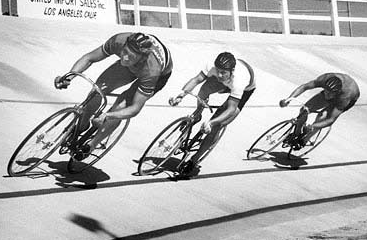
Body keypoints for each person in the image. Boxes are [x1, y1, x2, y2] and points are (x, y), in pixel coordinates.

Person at [54, 32, 173, 160]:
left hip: (158, 75)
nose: (125, 58)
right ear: (124, 46)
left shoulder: (152, 71)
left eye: (131, 56)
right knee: (97, 91)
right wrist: (69, 76)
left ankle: (91, 145)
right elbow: (89, 58)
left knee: (121, 106)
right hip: (130, 68)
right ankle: (82, 125)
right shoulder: (118, 41)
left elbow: (135, 109)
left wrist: (107, 115)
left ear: (141, 58)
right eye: (125, 52)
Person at [170, 52, 256, 176]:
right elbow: (196, 80)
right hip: (227, 82)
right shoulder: (211, 66)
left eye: (223, 72)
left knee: (217, 126)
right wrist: (180, 95)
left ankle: (194, 160)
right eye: (218, 71)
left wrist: (211, 122)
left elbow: (231, 109)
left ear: (232, 71)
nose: (219, 75)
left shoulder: (239, 81)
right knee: (204, 89)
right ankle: (197, 114)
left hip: (246, 89)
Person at [279, 72, 360, 149]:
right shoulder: (324, 79)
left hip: (348, 99)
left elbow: (330, 120)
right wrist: (288, 99)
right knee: (304, 110)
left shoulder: (344, 97)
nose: (327, 95)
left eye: (329, 93)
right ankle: (296, 133)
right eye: (325, 91)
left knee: (321, 117)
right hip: (336, 91)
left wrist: (312, 126)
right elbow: (304, 87)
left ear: (337, 93)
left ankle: (304, 140)